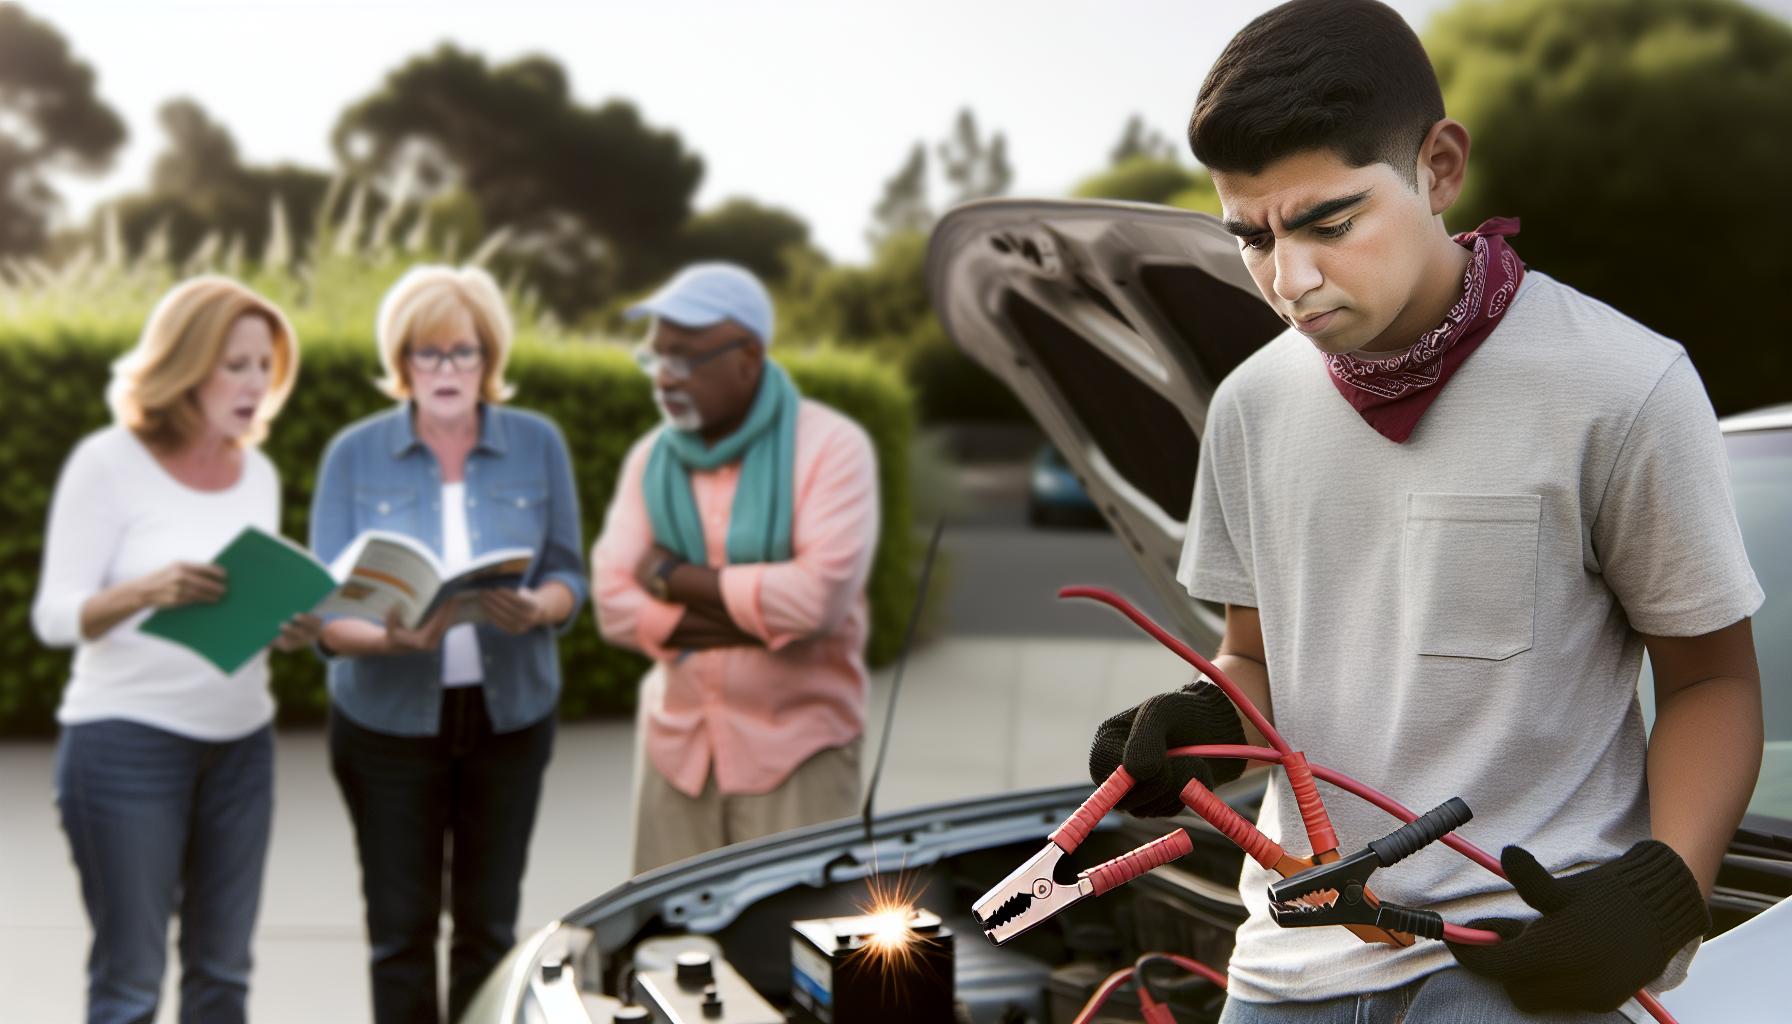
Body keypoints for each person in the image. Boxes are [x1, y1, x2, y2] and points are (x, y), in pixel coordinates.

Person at [1087, 2, 1764, 1020]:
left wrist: (1667, 886)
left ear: (1438, 168)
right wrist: (1200, 719)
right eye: (1250, 237)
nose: (1289, 279)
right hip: (1283, 967)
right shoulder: (1249, 405)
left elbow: (1710, 677)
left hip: (1515, 964)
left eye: (1328, 222)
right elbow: (1258, 659)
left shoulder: (1621, 385)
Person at [31, 275, 319, 1024]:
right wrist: (144, 591)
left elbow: (240, 604)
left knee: (223, 975)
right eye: (237, 364)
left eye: (266, 365)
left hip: (241, 747)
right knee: (130, 983)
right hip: (124, 745)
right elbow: (56, 617)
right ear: (187, 366)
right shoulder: (106, 462)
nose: (257, 382)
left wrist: (280, 623)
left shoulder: (259, 473)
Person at [309, 264, 587, 1024]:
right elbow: (327, 614)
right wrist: (392, 637)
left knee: (489, 931)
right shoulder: (353, 454)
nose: (445, 370)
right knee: (399, 934)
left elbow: (568, 572)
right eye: (427, 354)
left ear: (487, 357)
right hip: (387, 726)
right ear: (401, 362)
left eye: (462, 352)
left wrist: (538, 606)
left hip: (510, 720)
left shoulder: (537, 444)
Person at [591, 262, 880, 874]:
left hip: (799, 755)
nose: (664, 377)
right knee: (668, 954)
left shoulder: (831, 448)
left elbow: (815, 601)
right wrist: (754, 618)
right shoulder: (651, 458)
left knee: (793, 958)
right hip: (679, 754)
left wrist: (675, 578)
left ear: (748, 355)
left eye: (685, 357)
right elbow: (613, 601)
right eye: (655, 357)